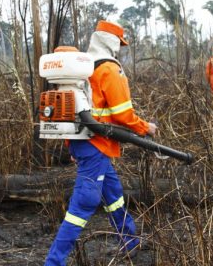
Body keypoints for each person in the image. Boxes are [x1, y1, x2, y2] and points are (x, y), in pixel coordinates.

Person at [45, 21, 157, 265]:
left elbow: (72, 111)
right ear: (112, 41)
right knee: (84, 203)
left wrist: (71, 145)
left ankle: (129, 240)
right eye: (120, 43)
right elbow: (122, 113)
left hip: (86, 143)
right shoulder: (109, 69)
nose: (121, 48)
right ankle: (54, 261)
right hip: (97, 144)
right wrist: (144, 127)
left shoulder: (83, 68)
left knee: (113, 194)